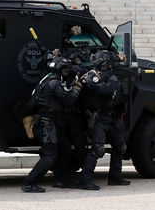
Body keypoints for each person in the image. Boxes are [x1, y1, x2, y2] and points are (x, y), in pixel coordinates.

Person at [22, 56, 82, 193]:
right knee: (50, 155)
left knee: (65, 148)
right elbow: (69, 99)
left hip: (50, 124)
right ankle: (29, 182)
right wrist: (77, 88)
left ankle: (63, 180)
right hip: (46, 125)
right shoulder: (54, 83)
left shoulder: (47, 79)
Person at [78, 50, 129, 190]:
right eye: (110, 63)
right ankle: (85, 180)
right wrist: (113, 81)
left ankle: (115, 177)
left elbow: (118, 98)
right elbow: (104, 91)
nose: (112, 65)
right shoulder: (92, 76)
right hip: (97, 118)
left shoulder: (111, 76)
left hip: (110, 117)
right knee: (98, 149)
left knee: (120, 147)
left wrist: (118, 116)